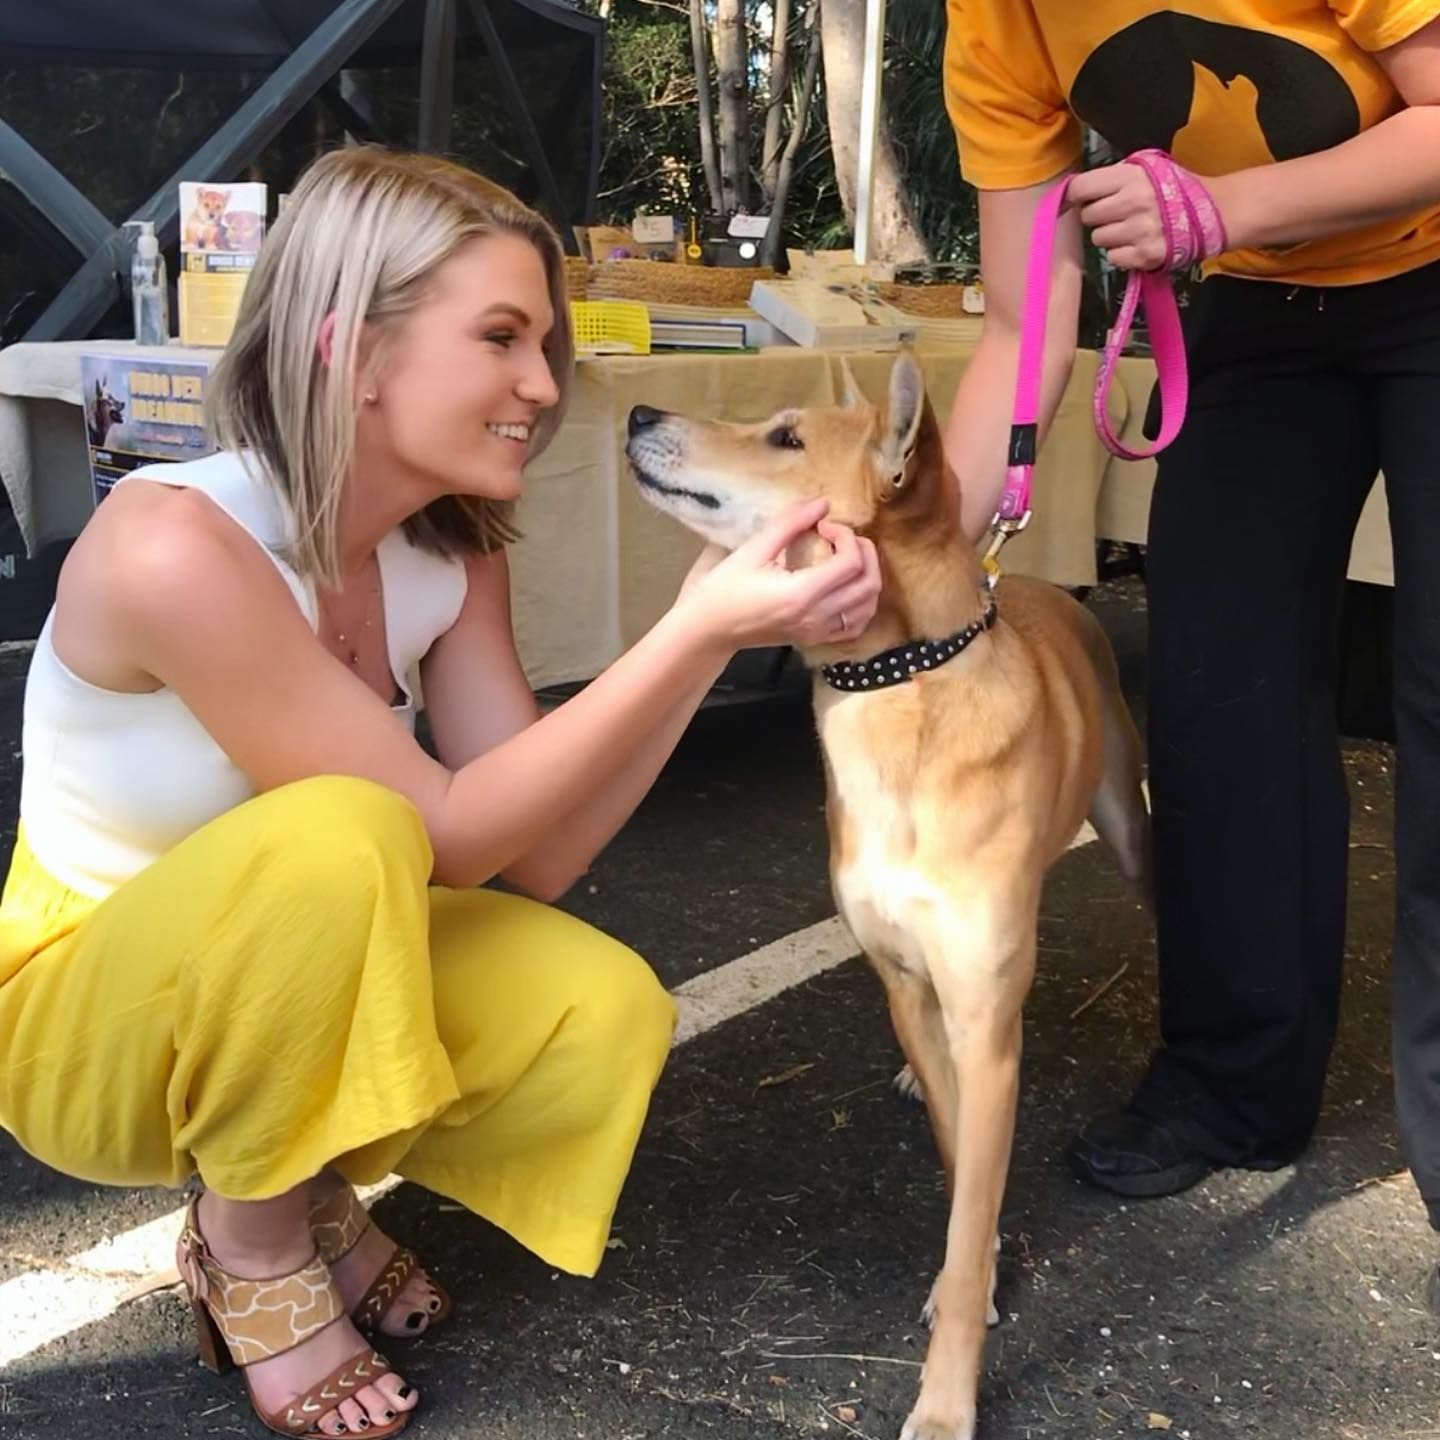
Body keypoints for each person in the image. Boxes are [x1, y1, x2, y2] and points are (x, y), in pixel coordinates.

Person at [0, 146, 881, 1438]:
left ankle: (297, 1178)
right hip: (80, 1015)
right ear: (351, 347)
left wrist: (709, 628)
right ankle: (252, 1247)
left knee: (592, 999)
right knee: (348, 834)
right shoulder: (174, 544)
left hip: (269, 979)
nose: (546, 384)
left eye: (546, 343)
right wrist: (693, 633)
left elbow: (538, 854)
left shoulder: (449, 553)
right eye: (502, 338)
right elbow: (444, 832)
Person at [939, 4, 1440, 1231]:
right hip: (1263, 304)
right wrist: (919, 566)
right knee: (1218, 689)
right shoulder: (993, 17)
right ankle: (1231, 1084)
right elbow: (1020, 320)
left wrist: (1223, 208)